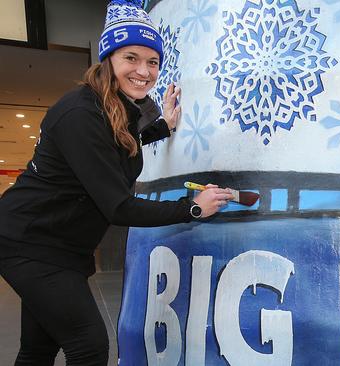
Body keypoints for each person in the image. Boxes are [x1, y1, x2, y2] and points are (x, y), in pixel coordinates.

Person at [0, 0, 233, 365]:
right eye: (131, 58)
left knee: (38, 348)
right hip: (31, 243)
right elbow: (118, 205)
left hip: (58, 244)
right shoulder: (81, 111)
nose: (144, 70)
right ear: (108, 58)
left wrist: (162, 127)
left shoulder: (115, 108)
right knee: (87, 344)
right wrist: (193, 208)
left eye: (152, 61)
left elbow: (119, 146)